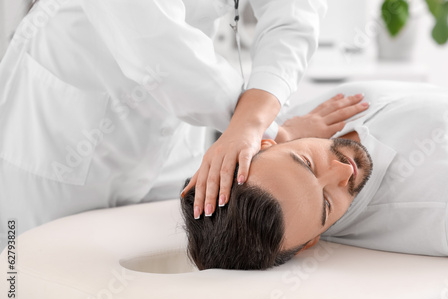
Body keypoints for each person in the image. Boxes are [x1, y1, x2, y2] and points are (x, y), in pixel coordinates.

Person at [0, 0, 328, 246]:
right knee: (39, 279)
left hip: (173, 129)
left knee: (156, 271)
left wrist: (257, 115)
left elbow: (295, 12)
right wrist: (270, 128)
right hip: (66, 122)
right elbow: (153, 42)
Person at [181, 80, 448, 270]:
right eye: (326, 203)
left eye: (306, 162)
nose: (343, 170)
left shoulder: (303, 123)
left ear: (268, 143)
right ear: (311, 241)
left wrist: (285, 128)